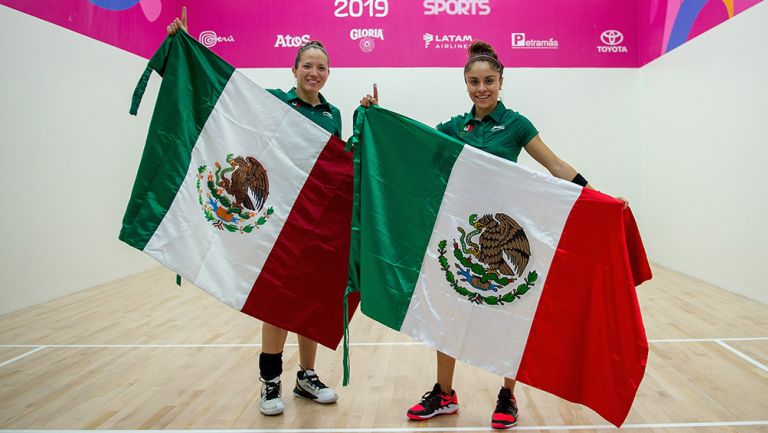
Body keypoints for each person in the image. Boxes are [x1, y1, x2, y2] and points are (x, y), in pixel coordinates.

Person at [360, 40, 628, 430]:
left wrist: (600, 198)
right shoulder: (455, 127)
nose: (481, 88)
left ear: (501, 81)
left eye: (488, 80)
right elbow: (412, 145)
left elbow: (556, 167)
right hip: (461, 234)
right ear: (465, 83)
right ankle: (444, 393)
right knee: (448, 308)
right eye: (473, 81)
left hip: (511, 234)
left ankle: (507, 395)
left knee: (510, 313)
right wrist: (378, 117)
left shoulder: (517, 124)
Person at [168, 7, 341, 416]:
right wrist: (188, 51)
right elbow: (223, 103)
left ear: (328, 74)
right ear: (294, 69)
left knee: (310, 301)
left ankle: (307, 377)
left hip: (312, 224)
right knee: (276, 302)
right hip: (275, 222)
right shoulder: (273, 103)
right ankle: (270, 382)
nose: (314, 73)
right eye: (308, 66)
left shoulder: (333, 115)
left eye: (321, 68)